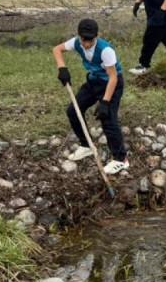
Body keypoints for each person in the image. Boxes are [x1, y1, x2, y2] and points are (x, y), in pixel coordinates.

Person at [53, 19, 129, 175]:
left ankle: (121, 159)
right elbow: (57, 49)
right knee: (73, 111)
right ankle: (87, 146)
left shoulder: (105, 50)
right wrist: (62, 69)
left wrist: (105, 103)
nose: (86, 44)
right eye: (83, 39)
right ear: (79, 36)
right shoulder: (76, 42)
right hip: (94, 81)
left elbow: (113, 77)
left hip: (112, 84)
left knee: (108, 119)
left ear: (96, 36)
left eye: (90, 40)